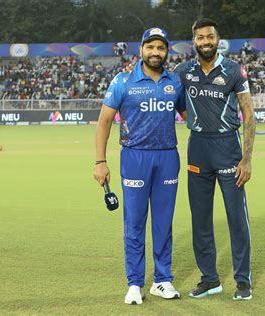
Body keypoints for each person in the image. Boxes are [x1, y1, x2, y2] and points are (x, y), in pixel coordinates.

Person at [93, 27, 186, 305]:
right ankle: (135, 283)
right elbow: (105, 122)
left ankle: (162, 280)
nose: (155, 52)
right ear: (141, 49)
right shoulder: (123, 81)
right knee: (134, 222)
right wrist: (100, 162)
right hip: (134, 158)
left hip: (168, 157)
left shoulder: (175, 82)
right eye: (150, 47)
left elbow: (189, 115)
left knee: (163, 223)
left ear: (167, 50)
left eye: (161, 47)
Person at [174, 18, 256, 300]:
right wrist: (194, 121)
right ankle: (210, 279)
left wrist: (246, 158)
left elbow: (249, 114)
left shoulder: (233, 70)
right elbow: (174, 103)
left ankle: (243, 281)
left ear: (217, 39)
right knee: (200, 220)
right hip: (198, 148)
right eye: (200, 38)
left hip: (228, 149)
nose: (205, 42)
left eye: (210, 37)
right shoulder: (183, 71)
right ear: (193, 41)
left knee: (236, 218)